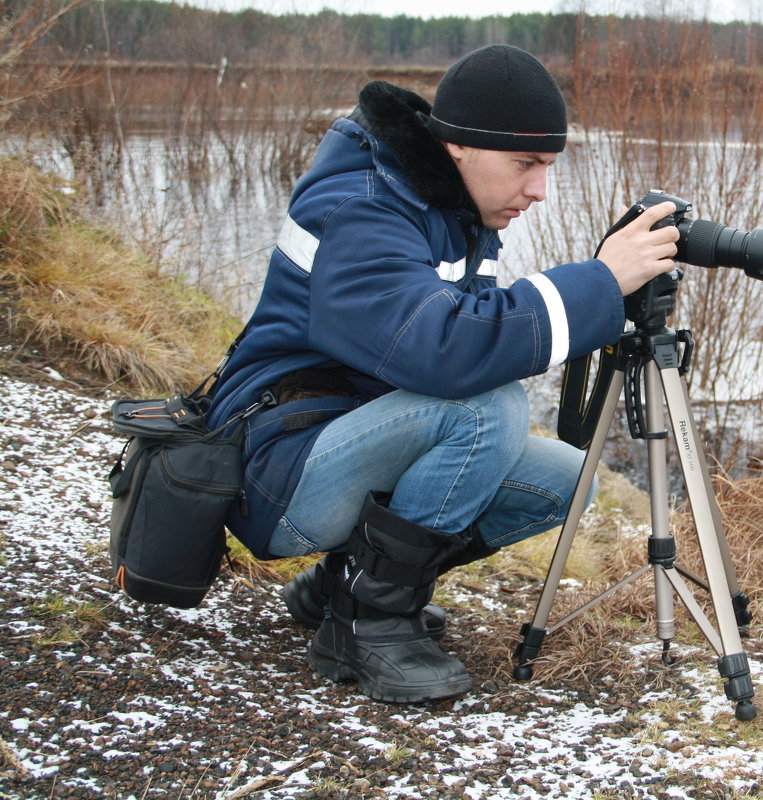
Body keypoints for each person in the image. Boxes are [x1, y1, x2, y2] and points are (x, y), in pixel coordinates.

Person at [205, 44, 679, 704]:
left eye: (547, 166)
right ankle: (371, 626)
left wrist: (603, 296)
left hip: (339, 435)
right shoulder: (364, 206)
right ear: (459, 147)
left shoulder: (443, 207)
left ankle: (346, 584)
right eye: (526, 164)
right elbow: (442, 352)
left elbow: (460, 333)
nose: (539, 189)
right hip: (276, 468)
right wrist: (597, 282)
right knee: (489, 410)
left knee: (566, 483)